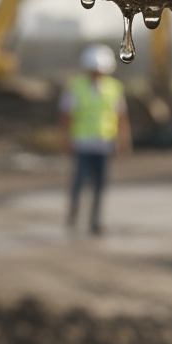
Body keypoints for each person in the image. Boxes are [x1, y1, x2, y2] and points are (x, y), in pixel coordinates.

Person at [59, 43, 130, 234]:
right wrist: (66, 139)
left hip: (103, 143)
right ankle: (74, 215)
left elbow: (121, 117)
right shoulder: (76, 86)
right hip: (82, 142)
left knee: (100, 184)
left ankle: (95, 220)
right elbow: (66, 115)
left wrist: (123, 140)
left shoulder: (114, 88)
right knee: (79, 181)